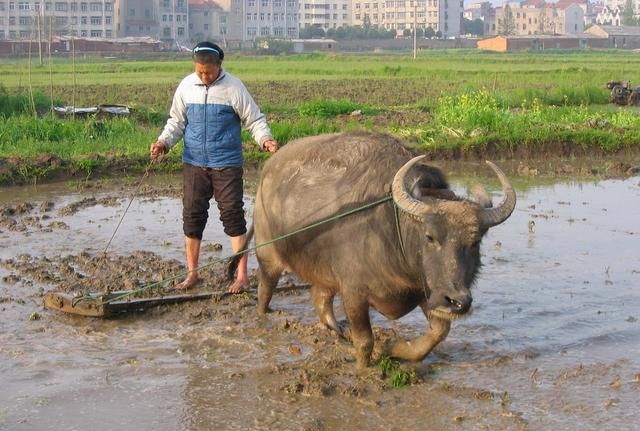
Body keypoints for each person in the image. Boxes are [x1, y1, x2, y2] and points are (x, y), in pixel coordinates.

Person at [150, 41, 279, 293]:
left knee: (232, 216)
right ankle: (192, 273)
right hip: (194, 163)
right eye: (199, 71)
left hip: (226, 164)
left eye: (208, 71)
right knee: (192, 217)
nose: (203, 75)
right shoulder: (187, 86)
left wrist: (265, 139)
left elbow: (254, 119)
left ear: (219, 66)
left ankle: (241, 276)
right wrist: (163, 142)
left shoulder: (233, 87)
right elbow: (176, 121)